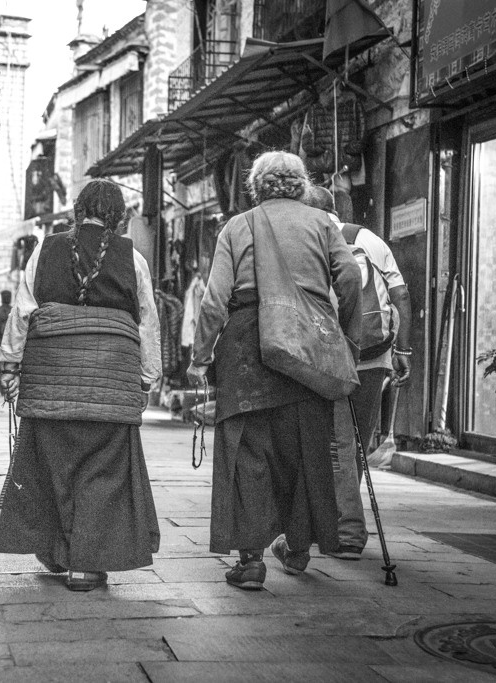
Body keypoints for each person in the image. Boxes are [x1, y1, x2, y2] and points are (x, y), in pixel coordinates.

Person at [187, 151, 361, 590]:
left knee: (249, 452)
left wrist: (201, 356)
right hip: (308, 344)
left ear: (256, 186)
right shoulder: (322, 223)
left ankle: (250, 562)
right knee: (304, 450)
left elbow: (214, 299)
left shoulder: (238, 226)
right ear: (302, 184)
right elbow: (351, 278)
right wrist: (345, 336)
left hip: (248, 346)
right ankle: (298, 548)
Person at [0, 178, 162, 592]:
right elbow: (147, 322)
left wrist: (9, 365)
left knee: (55, 468)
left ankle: (57, 550)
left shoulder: (45, 249)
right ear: (119, 216)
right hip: (111, 385)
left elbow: (22, 311)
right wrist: (146, 378)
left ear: (77, 211)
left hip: (51, 383)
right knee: (101, 475)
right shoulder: (132, 258)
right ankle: (85, 566)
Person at [304, 186, 411, 560]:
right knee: (356, 443)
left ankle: (346, 531)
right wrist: (403, 351)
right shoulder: (370, 239)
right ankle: (338, 520)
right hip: (375, 355)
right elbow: (400, 295)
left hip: (333, 357)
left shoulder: (312, 238)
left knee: (337, 444)